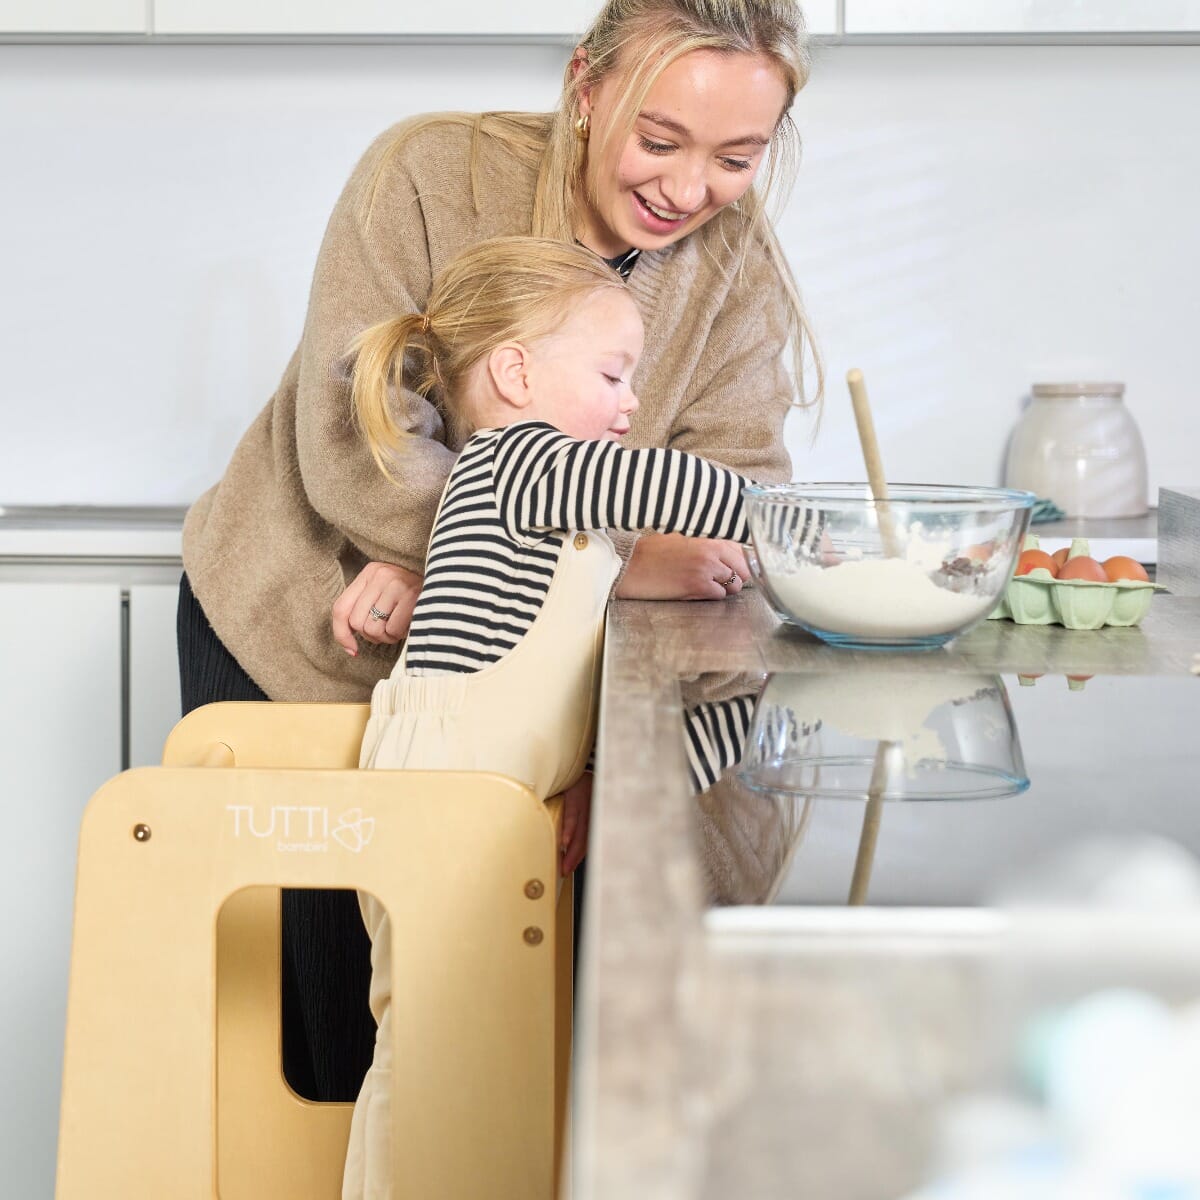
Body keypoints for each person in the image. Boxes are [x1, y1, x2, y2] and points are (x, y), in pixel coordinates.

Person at [178, 0, 823, 1102]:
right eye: (658, 140)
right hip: (311, 636)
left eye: (736, 158)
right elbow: (358, 443)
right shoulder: (427, 172)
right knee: (345, 1057)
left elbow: (729, 509)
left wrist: (553, 565)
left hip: (533, 699)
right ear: (585, 85)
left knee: (499, 1058)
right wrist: (603, 556)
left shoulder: (738, 270)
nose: (686, 189)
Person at [341, 233, 771, 1198]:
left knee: (471, 1053)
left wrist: (600, 779)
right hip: (441, 807)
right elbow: (669, 487)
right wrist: (804, 519)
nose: (629, 404)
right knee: (429, 1056)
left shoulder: (552, 507)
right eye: (615, 374)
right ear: (516, 372)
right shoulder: (515, 462)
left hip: (487, 802)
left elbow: (568, 668)